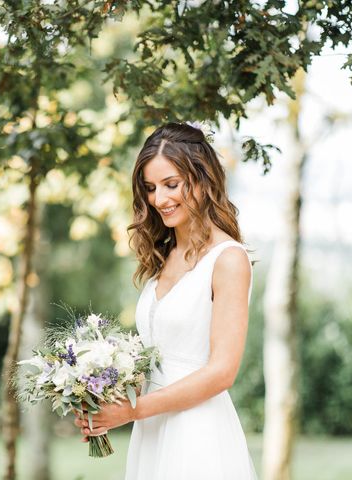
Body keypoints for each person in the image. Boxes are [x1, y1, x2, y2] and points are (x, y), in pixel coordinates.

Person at [74, 122, 257, 479]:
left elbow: (222, 372)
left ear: (203, 179)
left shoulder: (228, 260)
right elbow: (160, 357)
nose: (159, 199)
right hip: (153, 430)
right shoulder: (165, 256)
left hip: (197, 432)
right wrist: (103, 397)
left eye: (171, 184)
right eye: (151, 188)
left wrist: (132, 411)